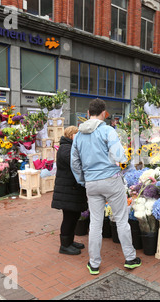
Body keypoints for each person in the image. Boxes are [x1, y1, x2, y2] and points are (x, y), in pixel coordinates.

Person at [71, 98, 141, 275]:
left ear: (88, 113)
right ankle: (130, 258)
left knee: (95, 223)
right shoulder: (108, 130)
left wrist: (83, 180)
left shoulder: (78, 135)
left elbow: (75, 162)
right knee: (121, 219)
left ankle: (94, 264)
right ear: (104, 113)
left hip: (91, 183)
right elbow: (120, 156)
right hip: (111, 180)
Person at [51, 126, 88, 255]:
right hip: (67, 189)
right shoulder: (65, 148)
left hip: (71, 189)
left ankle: (70, 241)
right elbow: (76, 164)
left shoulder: (70, 147)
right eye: (77, 135)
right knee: (68, 218)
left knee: (74, 216)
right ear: (72, 135)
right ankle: (64, 245)